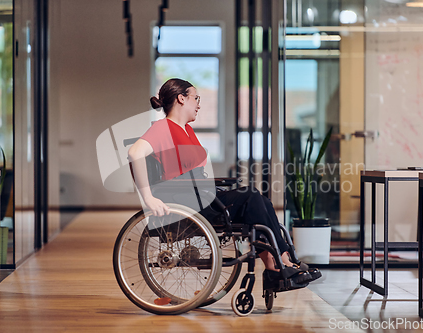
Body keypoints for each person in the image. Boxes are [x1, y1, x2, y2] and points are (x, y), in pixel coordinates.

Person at [127, 78, 320, 285]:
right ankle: (280, 264)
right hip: (187, 202)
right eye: (195, 98)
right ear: (181, 99)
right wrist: (148, 197)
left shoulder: (187, 130)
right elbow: (135, 152)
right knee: (252, 197)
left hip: (201, 195)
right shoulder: (163, 128)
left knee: (260, 202)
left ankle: (279, 263)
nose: (199, 104)